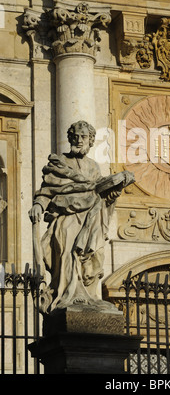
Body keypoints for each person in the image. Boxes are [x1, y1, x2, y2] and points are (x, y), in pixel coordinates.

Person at [29, 120, 134, 314]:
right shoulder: (60, 163)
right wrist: (38, 205)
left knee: (94, 256)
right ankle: (69, 295)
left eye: (84, 137)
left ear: (91, 140)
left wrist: (118, 184)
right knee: (67, 254)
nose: (79, 140)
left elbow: (99, 191)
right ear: (70, 138)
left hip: (91, 219)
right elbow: (47, 190)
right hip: (67, 219)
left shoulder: (93, 167)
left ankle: (89, 295)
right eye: (75, 136)